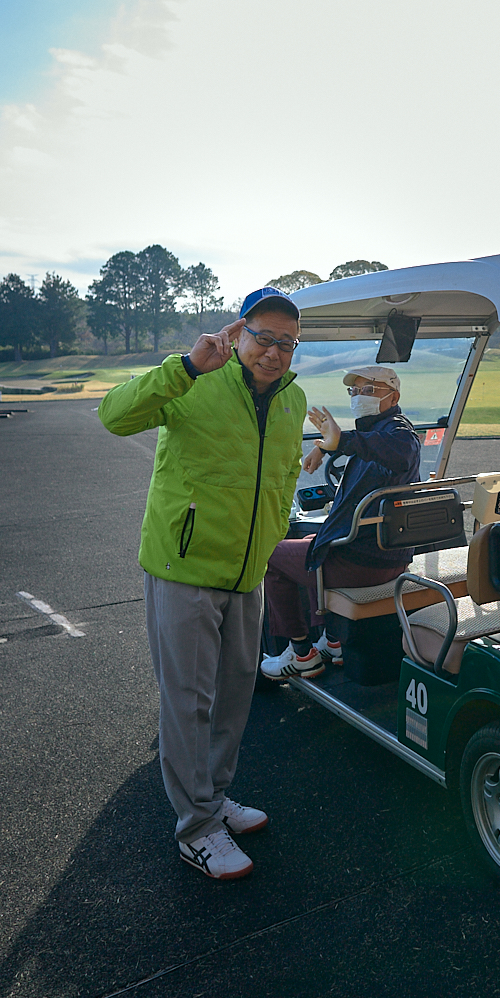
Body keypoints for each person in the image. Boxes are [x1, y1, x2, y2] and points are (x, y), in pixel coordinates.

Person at [99, 287, 308, 881]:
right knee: (189, 702)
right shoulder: (194, 380)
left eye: (287, 343)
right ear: (239, 333)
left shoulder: (293, 403)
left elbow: (285, 478)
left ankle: (213, 802)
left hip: (247, 575)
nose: (274, 352)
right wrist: (188, 366)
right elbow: (114, 416)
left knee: (234, 695)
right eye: (264, 337)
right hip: (185, 570)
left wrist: (267, 545)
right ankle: (195, 828)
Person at [260, 366, 421, 681]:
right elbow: (370, 445)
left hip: (365, 563)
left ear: (394, 397)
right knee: (313, 546)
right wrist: (325, 446)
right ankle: (332, 641)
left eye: (369, 390)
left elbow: (399, 451)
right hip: (384, 556)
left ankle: (301, 652)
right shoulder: (378, 433)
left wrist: (340, 441)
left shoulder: (399, 433)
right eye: (355, 391)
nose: (360, 397)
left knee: (272, 555)